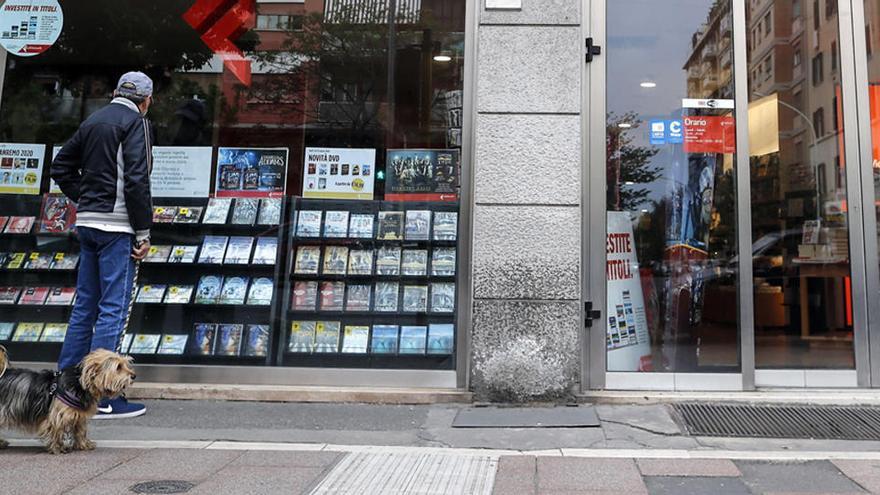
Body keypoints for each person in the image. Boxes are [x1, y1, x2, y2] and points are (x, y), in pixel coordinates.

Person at [50, 72, 154, 419]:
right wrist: (142, 231)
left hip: (88, 225)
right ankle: (106, 394)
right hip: (117, 227)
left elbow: (60, 166)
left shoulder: (93, 120)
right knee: (113, 307)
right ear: (146, 101)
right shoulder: (135, 122)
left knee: (84, 307)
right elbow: (137, 179)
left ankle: (64, 388)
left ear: (114, 93)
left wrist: (86, 200)